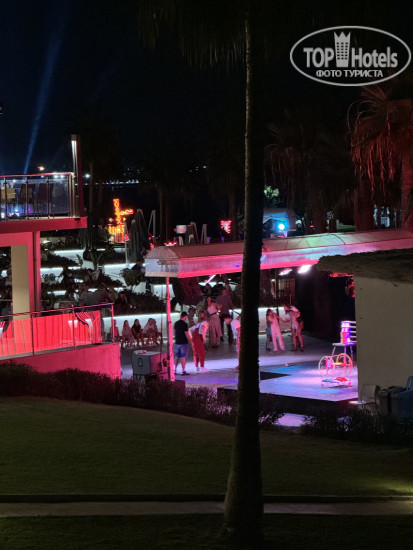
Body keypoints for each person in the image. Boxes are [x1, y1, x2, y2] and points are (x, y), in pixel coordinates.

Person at [173, 311, 190, 375]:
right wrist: (190, 340)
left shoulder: (176, 323)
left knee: (177, 356)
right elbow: (186, 333)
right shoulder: (185, 324)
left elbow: (174, 332)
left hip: (177, 342)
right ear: (185, 316)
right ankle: (183, 371)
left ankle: (175, 370)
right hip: (183, 342)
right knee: (183, 357)